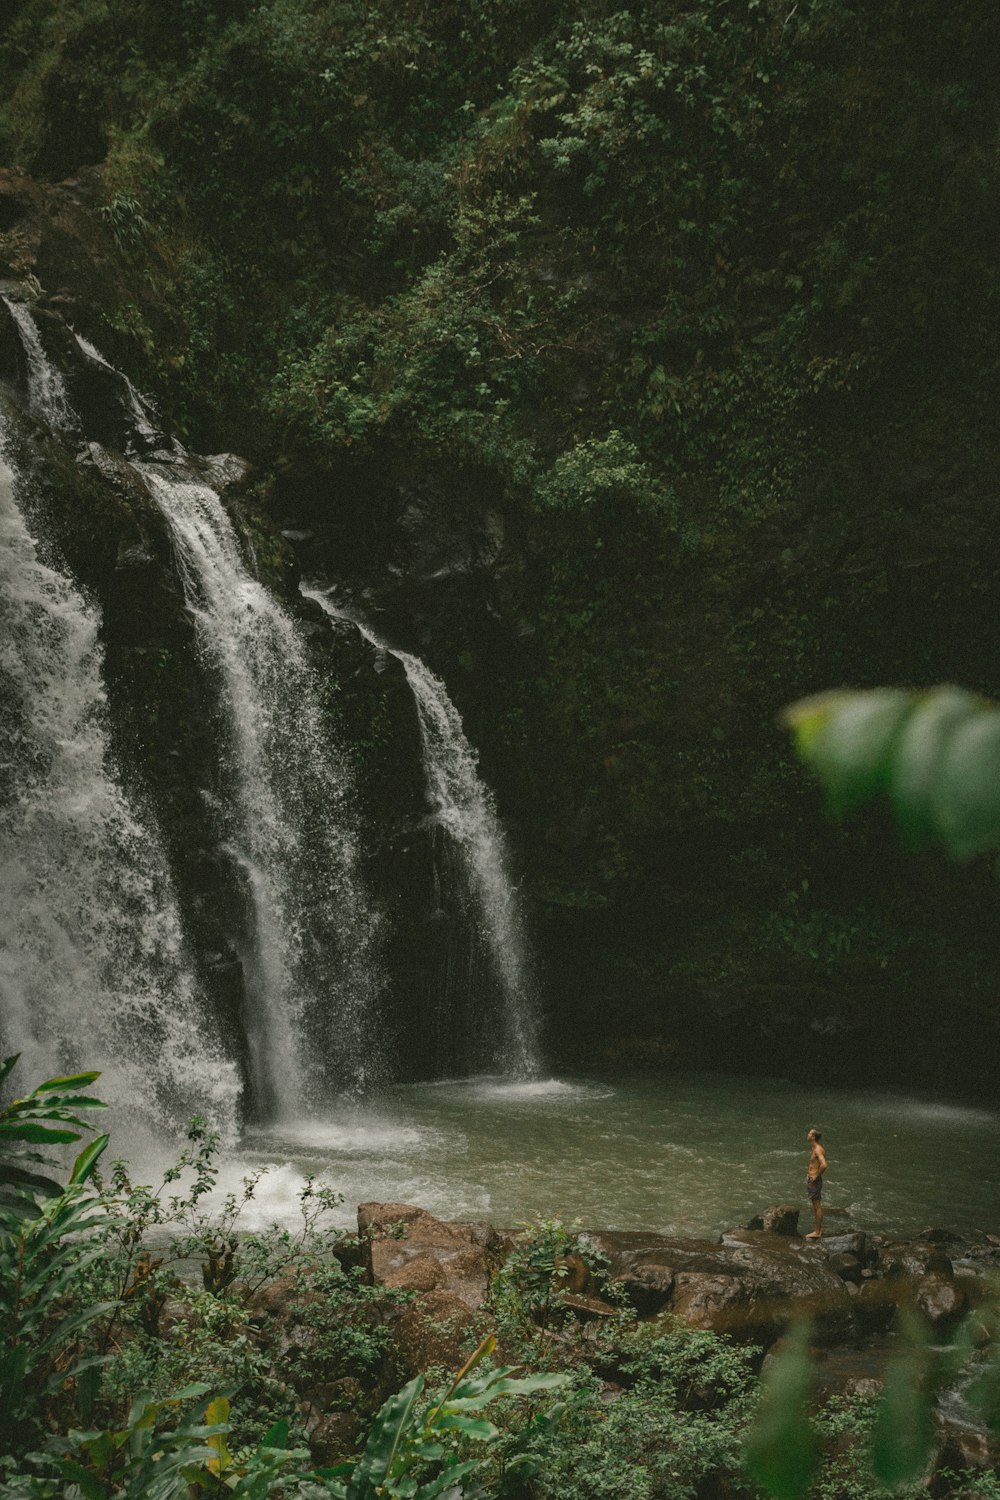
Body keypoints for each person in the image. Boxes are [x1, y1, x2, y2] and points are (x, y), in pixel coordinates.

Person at [804, 1127, 827, 1238]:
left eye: (809, 1134)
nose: (807, 1135)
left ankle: (817, 1232)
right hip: (812, 1179)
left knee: (817, 1206)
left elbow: (824, 1164)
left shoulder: (817, 1149)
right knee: (815, 1206)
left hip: (814, 1181)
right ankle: (817, 1230)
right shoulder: (814, 1147)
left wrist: (816, 1176)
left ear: (813, 1137)